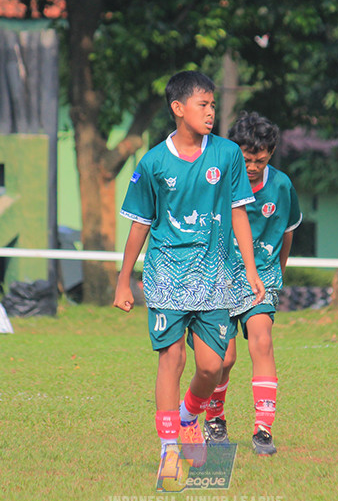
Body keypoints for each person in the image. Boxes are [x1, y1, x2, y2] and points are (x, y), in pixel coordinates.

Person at [113, 70, 265, 473]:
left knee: (213, 366)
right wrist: (123, 278)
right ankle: (169, 448)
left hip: (216, 275)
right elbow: (140, 223)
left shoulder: (228, 154)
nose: (211, 112)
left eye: (213, 104)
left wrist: (250, 270)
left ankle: (187, 416)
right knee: (172, 360)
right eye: (203, 104)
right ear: (178, 109)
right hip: (166, 273)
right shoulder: (154, 162)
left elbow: (238, 213)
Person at [204, 112, 301, 456]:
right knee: (223, 359)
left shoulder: (281, 186)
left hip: (261, 276)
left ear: (270, 154)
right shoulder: (217, 182)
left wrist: (277, 273)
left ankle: (263, 429)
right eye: (247, 159)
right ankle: (215, 420)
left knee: (262, 340)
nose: (253, 166)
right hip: (219, 275)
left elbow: (287, 233)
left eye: (260, 159)